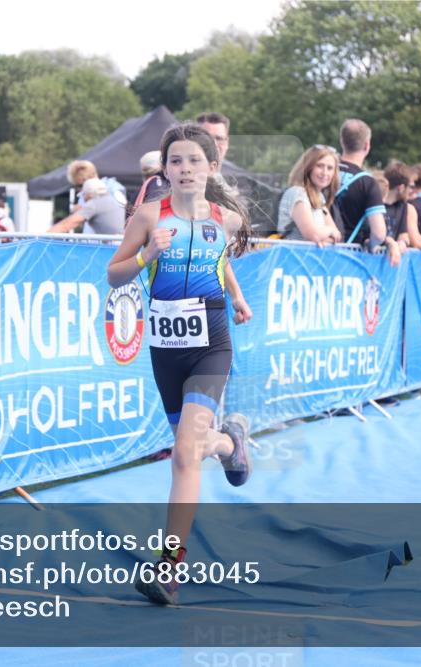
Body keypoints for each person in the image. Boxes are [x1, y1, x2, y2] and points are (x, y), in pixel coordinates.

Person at [107, 123, 253, 606]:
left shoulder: (226, 220)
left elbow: (220, 258)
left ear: (212, 167)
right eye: (176, 161)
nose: (185, 169)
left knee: (185, 455)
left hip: (212, 342)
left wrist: (235, 294)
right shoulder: (148, 216)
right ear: (164, 169)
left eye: (194, 160)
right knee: (190, 447)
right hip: (165, 348)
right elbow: (114, 273)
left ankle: (169, 568)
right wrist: (147, 255)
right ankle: (232, 443)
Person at [334, 119, 401, 265]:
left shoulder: (323, 172)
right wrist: (372, 246)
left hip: (316, 253)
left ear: (341, 141)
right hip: (348, 258)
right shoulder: (367, 182)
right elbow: (378, 232)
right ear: (367, 145)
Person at [276, 145, 342, 246]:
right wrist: (329, 230)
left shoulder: (319, 197)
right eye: (320, 166)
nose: (325, 172)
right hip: (291, 257)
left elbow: (337, 236)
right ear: (308, 167)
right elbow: (313, 235)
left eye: (330, 168)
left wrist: (323, 237)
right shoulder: (297, 193)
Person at [381, 161, 421, 258]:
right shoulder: (375, 204)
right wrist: (392, 244)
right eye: (410, 187)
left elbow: (404, 235)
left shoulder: (404, 207)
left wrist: (402, 243)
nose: (412, 191)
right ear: (401, 188)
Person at [50, 177, 126, 234]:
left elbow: (66, 225)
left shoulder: (94, 204)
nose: (83, 198)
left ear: (88, 194)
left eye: (83, 194)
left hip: (108, 249)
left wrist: (42, 238)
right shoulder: (112, 200)